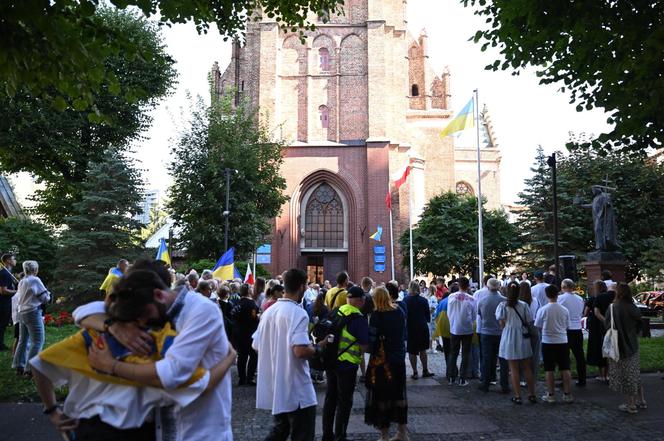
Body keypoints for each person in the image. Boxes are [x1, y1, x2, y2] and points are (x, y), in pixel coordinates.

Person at [34, 270, 237, 441]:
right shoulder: (151, 346)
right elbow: (197, 383)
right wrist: (228, 359)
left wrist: (52, 411)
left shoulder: (90, 336)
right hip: (128, 432)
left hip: (83, 427)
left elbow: (39, 365)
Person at [252, 269, 328, 441]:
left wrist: (277, 353)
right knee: (301, 434)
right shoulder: (298, 313)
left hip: (277, 385)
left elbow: (256, 345)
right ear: (302, 287)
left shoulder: (269, 312)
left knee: (280, 430)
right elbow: (300, 350)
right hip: (296, 388)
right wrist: (318, 348)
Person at [322, 286, 369, 441]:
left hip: (330, 362)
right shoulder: (358, 318)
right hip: (347, 366)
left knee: (330, 399)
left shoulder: (336, 311)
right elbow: (364, 345)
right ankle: (340, 436)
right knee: (344, 402)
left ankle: (327, 434)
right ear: (360, 300)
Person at [364, 286, 408, 441]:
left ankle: (384, 436)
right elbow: (403, 334)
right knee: (398, 394)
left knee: (382, 397)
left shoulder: (377, 315)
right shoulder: (399, 311)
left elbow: (372, 339)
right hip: (398, 358)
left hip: (382, 362)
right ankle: (402, 433)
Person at [605, 283, 647, 413]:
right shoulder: (632, 307)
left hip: (618, 345)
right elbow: (640, 322)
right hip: (632, 344)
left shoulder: (613, 307)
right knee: (635, 373)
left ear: (618, 293)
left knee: (626, 375)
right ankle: (642, 400)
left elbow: (607, 325)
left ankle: (631, 404)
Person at [496, 282, 536, 403]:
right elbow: (529, 320)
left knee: (513, 368)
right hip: (523, 336)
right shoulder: (524, 305)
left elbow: (501, 323)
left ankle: (518, 396)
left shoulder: (503, 306)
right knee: (526, 367)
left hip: (509, 336)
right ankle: (532, 394)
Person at [535, 285, 574, 404]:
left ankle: (550, 394)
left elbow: (538, 325)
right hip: (562, 340)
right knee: (565, 368)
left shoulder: (543, 309)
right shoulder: (564, 310)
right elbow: (568, 326)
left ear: (547, 295)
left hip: (548, 341)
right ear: (557, 294)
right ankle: (567, 394)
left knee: (549, 369)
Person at [12, 260, 51, 376]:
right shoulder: (35, 280)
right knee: (38, 341)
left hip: (22, 312)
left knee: (23, 340)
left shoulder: (22, 281)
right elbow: (45, 298)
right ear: (35, 269)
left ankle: (19, 366)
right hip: (32, 312)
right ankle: (30, 370)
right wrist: (49, 294)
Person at [477, 278, 508, 393]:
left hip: (486, 332)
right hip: (501, 333)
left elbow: (480, 315)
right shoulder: (505, 300)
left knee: (486, 358)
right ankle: (504, 384)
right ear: (499, 286)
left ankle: (485, 383)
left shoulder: (482, 301)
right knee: (503, 358)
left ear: (488, 286)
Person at [446, 277, 476, 386]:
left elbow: (449, 313)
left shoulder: (451, 297)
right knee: (465, 354)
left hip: (455, 328)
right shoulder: (472, 299)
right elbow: (474, 316)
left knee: (453, 353)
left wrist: (453, 322)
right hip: (467, 328)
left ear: (459, 285)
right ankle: (462, 378)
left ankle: (451, 377)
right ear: (468, 286)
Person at [557, 279, 587, 387]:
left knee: (564, 356)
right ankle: (582, 379)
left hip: (566, 329)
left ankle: (565, 380)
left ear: (564, 287)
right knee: (579, 356)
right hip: (577, 328)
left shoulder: (561, 298)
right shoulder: (580, 299)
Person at [403, 281, 433, 379]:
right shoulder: (424, 300)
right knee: (423, 349)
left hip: (411, 327)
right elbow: (428, 316)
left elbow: (404, 316)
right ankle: (425, 370)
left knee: (412, 351)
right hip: (422, 326)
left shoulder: (405, 300)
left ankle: (415, 372)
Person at [233, 283, 260, 386]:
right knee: (253, 355)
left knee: (242, 356)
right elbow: (253, 317)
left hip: (239, 332)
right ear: (248, 291)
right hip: (250, 333)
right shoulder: (251, 304)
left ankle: (241, 378)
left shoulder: (238, 302)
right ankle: (250, 377)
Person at [518, 281, 541, 381]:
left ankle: (522, 377)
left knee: (521, 353)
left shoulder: (518, 302)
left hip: (521, 328)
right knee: (534, 353)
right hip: (534, 326)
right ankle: (533, 375)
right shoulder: (535, 301)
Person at [586, 280, 608, 381]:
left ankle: (601, 374)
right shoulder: (608, 297)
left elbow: (586, 312)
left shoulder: (593, 299)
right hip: (607, 325)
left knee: (598, 348)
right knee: (607, 347)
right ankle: (607, 373)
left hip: (596, 326)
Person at [0, 253, 18, 351]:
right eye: (13, 259)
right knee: (2, 323)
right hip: (3, 303)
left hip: (6, 302)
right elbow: (3, 291)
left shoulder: (7, 273)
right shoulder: (5, 273)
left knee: (3, 323)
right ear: (8, 261)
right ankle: (0, 345)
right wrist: (17, 291)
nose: (15, 261)